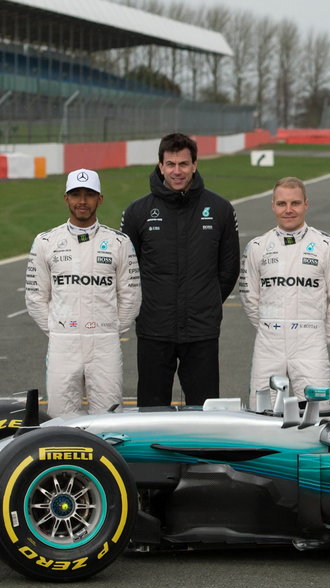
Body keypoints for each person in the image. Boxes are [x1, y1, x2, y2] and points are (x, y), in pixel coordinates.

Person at [121, 132, 240, 407]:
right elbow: (128, 272)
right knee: (151, 410)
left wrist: (205, 300)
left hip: (202, 330)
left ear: (195, 165)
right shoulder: (137, 212)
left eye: (183, 164)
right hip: (154, 328)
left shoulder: (220, 209)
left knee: (205, 410)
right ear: (160, 166)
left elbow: (229, 269)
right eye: (171, 164)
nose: (177, 171)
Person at [25, 168, 141, 418]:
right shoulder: (46, 241)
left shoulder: (119, 243)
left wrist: (109, 328)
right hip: (62, 343)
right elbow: (35, 296)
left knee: (110, 418)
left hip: (105, 342)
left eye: (89, 194)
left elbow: (131, 296)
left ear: (100, 199)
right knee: (60, 417)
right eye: (76, 194)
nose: (82, 201)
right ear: (66, 198)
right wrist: (59, 328)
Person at [238, 177, 330, 405]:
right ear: (273, 206)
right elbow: (249, 298)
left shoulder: (328, 246)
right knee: (262, 412)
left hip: (310, 343)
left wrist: (317, 335)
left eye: (295, 203)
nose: (288, 210)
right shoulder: (257, 247)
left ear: (306, 205)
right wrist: (272, 327)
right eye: (281, 204)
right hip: (269, 343)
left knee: (315, 413)